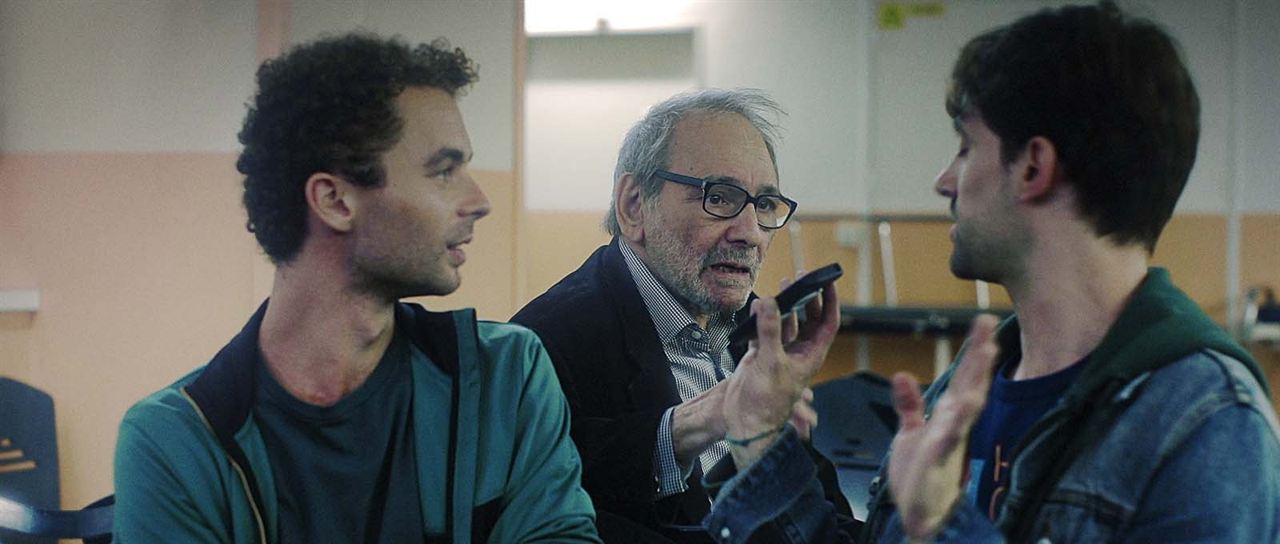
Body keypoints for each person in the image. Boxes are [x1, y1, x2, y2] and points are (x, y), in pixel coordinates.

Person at [698, 2, 1280, 543]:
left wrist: (947, 526)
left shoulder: (1207, 425)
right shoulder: (975, 382)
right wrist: (765, 439)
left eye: (966, 146)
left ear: (1032, 167)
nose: (945, 180)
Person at [112, 33, 600, 543]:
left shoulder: (507, 377)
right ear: (335, 201)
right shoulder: (176, 438)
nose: (479, 200)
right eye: (444, 171)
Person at [511, 89, 852, 542]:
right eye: (720, 197)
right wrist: (692, 424)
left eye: (765, 204)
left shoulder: (758, 327)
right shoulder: (541, 345)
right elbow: (553, 506)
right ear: (634, 205)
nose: (749, 233)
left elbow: (817, 514)